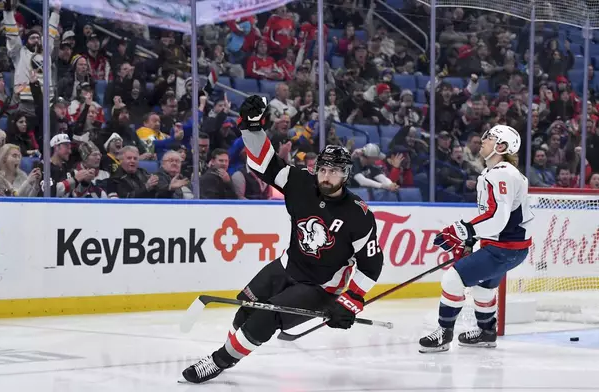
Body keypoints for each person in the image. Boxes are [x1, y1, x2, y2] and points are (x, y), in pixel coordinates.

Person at [182, 95, 384, 383]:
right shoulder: (301, 183)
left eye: (335, 172)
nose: (327, 177)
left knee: (266, 318)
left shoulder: (358, 215)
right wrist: (252, 128)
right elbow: (264, 165)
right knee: (244, 312)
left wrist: (350, 300)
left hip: (321, 286)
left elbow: (371, 264)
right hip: (287, 265)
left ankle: (219, 360)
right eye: (323, 169)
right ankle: (232, 351)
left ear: (346, 175)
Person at [418, 124, 534, 353]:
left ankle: (444, 333)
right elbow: (495, 216)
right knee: (483, 290)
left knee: (452, 280)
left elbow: (497, 217)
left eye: (490, 137)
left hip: (503, 249)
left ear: (501, 146)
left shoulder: (501, 173)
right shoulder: (499, 172)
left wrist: (463, 230)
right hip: (507, 248)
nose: (483, 139)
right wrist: (473, 238)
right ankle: (486, 333)